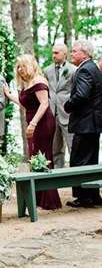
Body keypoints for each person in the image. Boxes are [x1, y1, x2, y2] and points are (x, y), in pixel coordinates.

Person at [4, 54, 62, 210]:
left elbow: (44, 104)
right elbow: (26, 103)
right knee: (35, 157)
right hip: (33, 123)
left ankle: (50, 199)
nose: (20, 70)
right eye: (18, 67)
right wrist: (10, 96)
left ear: (30, 65)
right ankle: (38, 196)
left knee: (43, 158)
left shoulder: (39, 81)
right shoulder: (27, 83)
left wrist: (33, 124)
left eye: (22, 66)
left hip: (42, 124)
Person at [64, 41, 102, 208]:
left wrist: (68, 104)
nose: (72, 54)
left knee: (79, 161)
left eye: (74, 51)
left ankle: (84, 197)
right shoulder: (94, 67)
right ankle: (93, 195)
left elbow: (82, 95)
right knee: (91, 161)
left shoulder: (85, 69)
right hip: (94, 123)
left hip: (85, 123)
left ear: (85, 54)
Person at [43, 44, 76, 168]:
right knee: (55, 148)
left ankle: (75, 175)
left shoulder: (73, 70)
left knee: (72, 146)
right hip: (51, 113)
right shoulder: (47, 70)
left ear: (64, 54)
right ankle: (58, 175)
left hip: (68, 114)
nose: (53, 56)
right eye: (53, 53)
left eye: (56, 53)